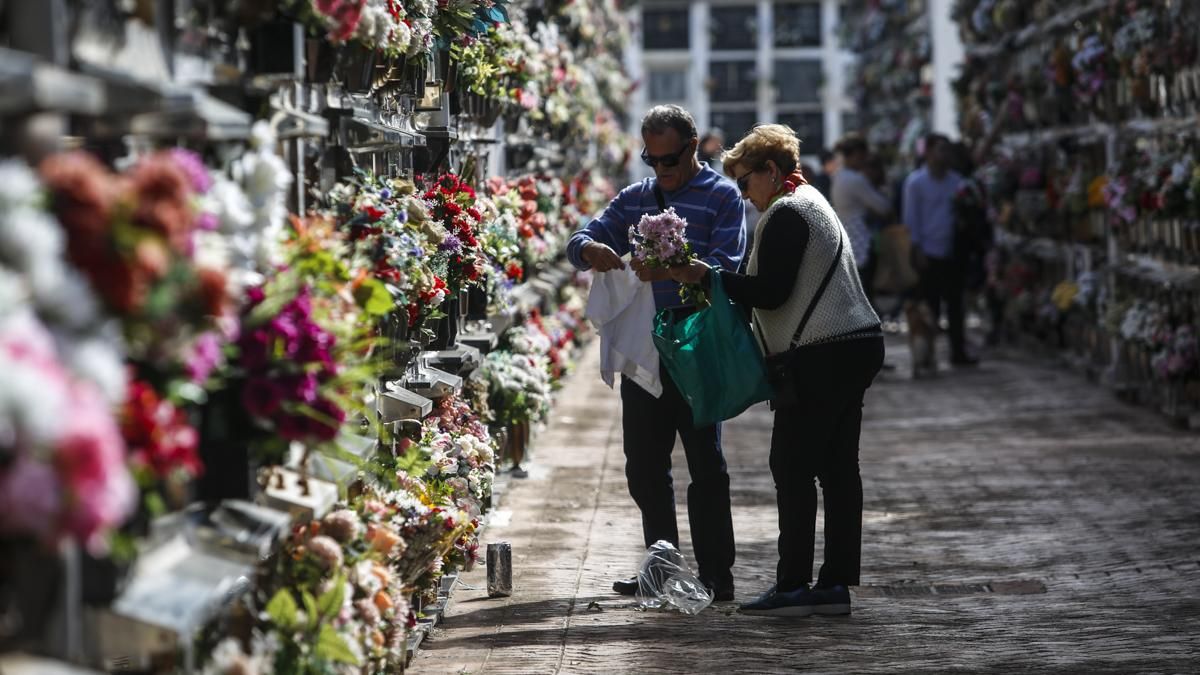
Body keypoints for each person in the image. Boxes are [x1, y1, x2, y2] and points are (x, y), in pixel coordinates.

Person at [669, 124, 884, 616]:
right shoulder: (811, 201)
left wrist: (708, 276)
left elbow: (772, 291)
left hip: (823, 353)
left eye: (746, 183)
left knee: (791, 465)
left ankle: (793, 586)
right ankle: (832, 585)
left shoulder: (788, 211)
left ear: (770, 170)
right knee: (836, 468)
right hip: (853, 344)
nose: (744, 195)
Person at [567, 105, 746, 601]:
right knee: (644, 465)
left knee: (705, 465)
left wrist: (672, 269)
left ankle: (716, 573)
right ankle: (662, 568)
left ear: (692, 147)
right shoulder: (636, 199)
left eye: (669, 160)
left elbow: (727, 267)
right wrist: (589, 251)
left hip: (696, 347)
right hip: (647, 353)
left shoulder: (722, 197)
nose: (661, 172)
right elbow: (581, 236)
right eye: (653, 160)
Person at [904, 133, 978, 366]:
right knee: (930, 306)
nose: (944, 155)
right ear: (927, 153)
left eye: (947, 150)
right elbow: (911, 218)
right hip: (928, 251)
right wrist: (916, 249)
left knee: (956, 305)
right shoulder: (916, 182)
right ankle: (928, 354)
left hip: (952, 250)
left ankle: (958, 351)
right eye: (939, 150)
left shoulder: (956, 182)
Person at [831, 135, 892, 301]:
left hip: (848, 239)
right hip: (862, 241)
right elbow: (883, 207)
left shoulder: (839, 176)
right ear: (857, 154)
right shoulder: (855, 179)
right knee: (865, 294)